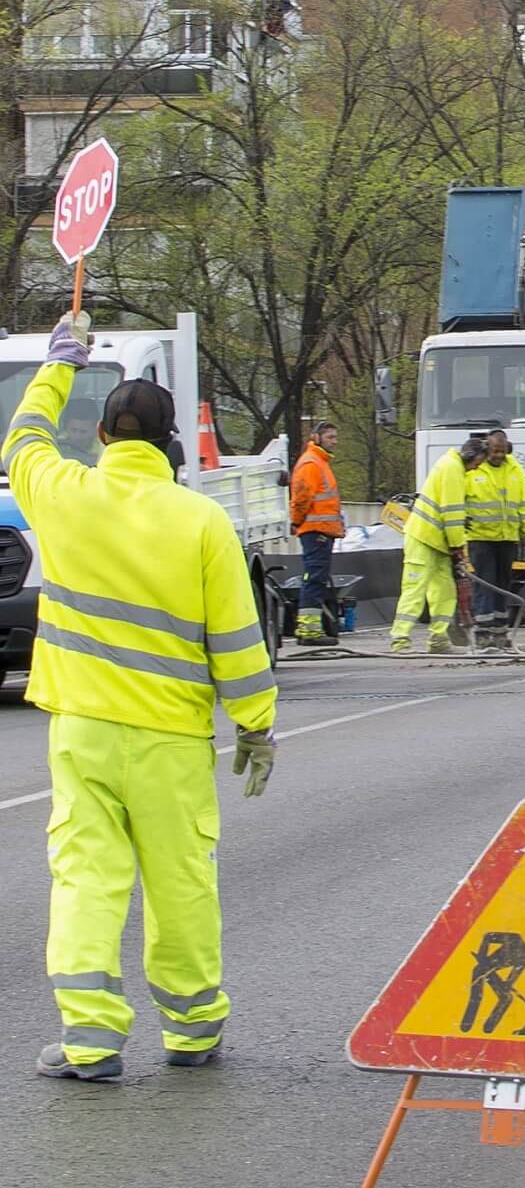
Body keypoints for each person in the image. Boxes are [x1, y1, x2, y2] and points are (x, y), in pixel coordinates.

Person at [3, 311, 278, 1082]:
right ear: (168, 448)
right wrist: (256, 727)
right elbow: (237, 641)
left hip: (84, 731)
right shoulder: (202, 521)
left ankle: (90, 1043)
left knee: (88, 878)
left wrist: (62, 361)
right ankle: (192, 1031)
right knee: (181, 880)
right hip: (170, 740)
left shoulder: (61, 494)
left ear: (100, 438)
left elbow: (21, 440)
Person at [390, 438, 488, 654]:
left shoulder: (453, 466)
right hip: (423, 538)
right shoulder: (452, 469)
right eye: (478, 462)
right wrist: (458, 547)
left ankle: (439, 638)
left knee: (444, 592)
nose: (477, 467)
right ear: (471, 456)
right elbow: (451, 515)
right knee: (415, 589)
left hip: (438, 542)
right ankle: (400, 639)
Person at [465, 431, 525, 650]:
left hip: (507, 539)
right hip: (480, 538)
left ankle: (500, 631)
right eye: (495, 451)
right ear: (487, 448)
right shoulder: (474, 470)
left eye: (502, 452)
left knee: (503, 585)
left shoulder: (514, 469)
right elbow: (459, 500)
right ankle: (483, 633)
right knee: (484, 584)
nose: (498, 455)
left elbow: (523, 504)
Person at [289, 421, 344, 647]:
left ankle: (310, 627)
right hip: (316, 531)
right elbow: (301, 497)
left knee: (316, 579)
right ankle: (309, 630)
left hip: (321, 530)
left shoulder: (318, 462)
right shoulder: (312, 463)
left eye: (335, 437)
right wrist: (296, 521)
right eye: (330, 437)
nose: (335, 441)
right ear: (317, 437)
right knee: (314, 579)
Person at [58, 401, 100, 466]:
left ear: (95, 430)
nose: (77, 436)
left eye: (83, 431)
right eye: (73, 430)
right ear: (66, 428)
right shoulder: (54, 443)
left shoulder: (103, 450)